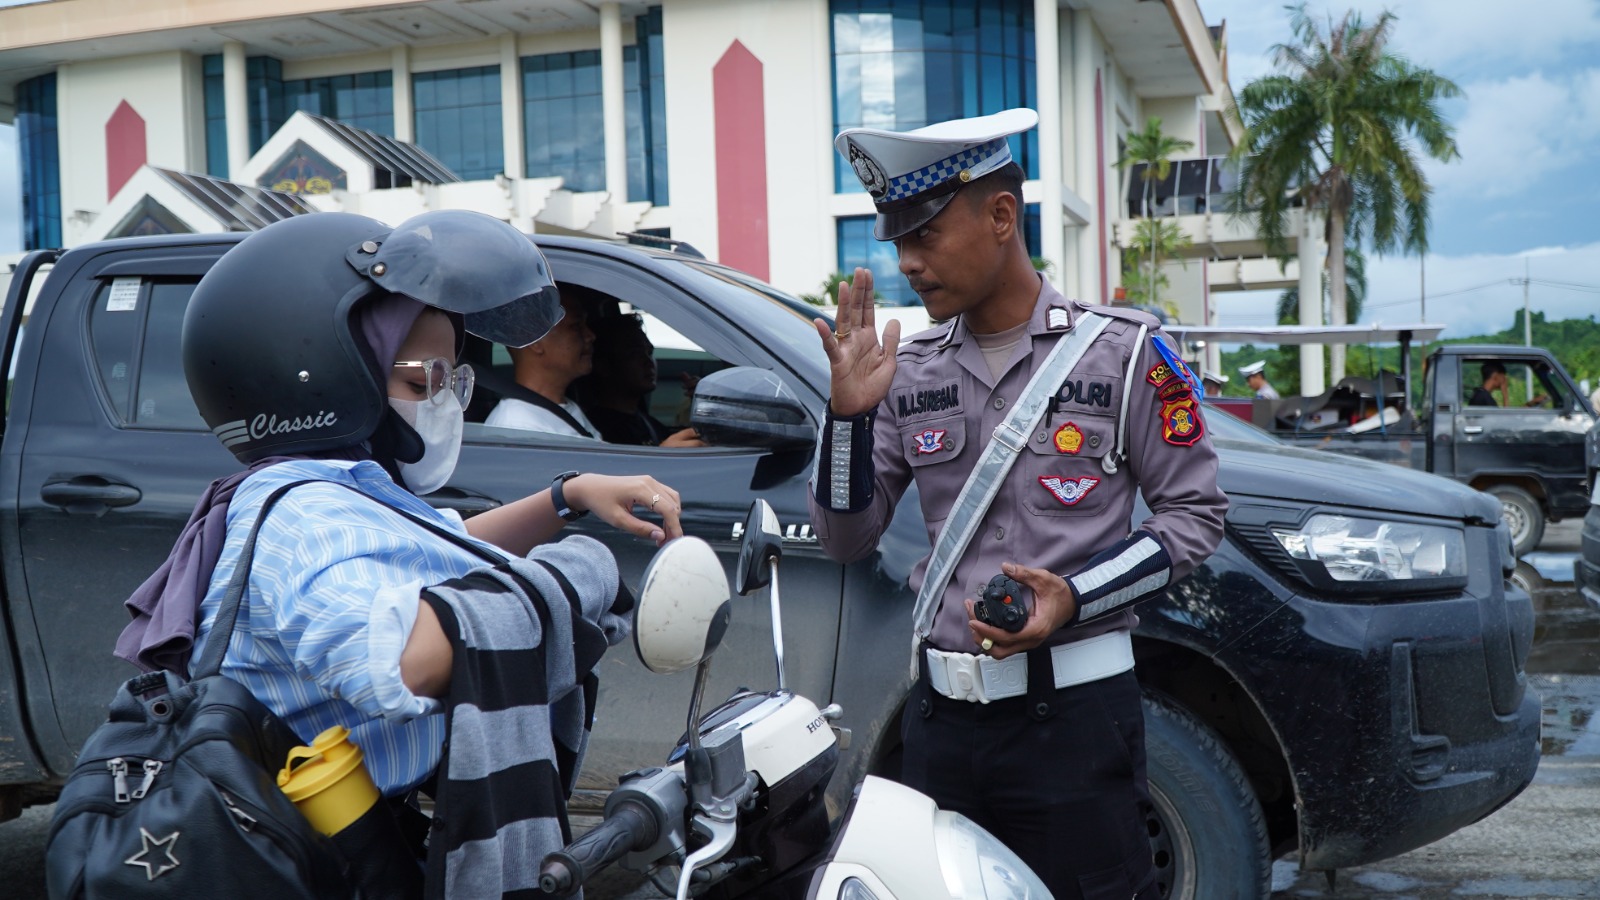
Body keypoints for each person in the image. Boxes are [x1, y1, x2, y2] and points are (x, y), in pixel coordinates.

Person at [114, 210, 684, 893]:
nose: (444, 405)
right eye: (421, 383)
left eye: (453, 383)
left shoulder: (338, 492)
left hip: (356, 829)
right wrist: (571, 576)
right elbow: (399, 657)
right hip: (312, 857)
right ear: (321, 378)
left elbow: (435, 554)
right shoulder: (303, 514)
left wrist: (566, 499)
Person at [807, 109, 1227, 898]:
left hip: (1073, 728)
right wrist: (848, 420)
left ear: (1001, 216)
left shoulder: (1127, 351)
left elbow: (1194, 517)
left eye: (925, 235)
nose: (907, 263)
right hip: (939, 728)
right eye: (896, 242)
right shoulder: (912, 370)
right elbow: (844, 538)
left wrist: (1074, 596)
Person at [484, 289, 603, 437]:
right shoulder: (517, 425)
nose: (590, 336)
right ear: (534, 339)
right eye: (576, 326)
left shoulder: (565, 408)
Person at [581, 313, 705, 447]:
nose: (648, 362)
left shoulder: (647, 423)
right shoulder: (595, 432)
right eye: (634, 354)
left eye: (650, 353)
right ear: (603, 366)